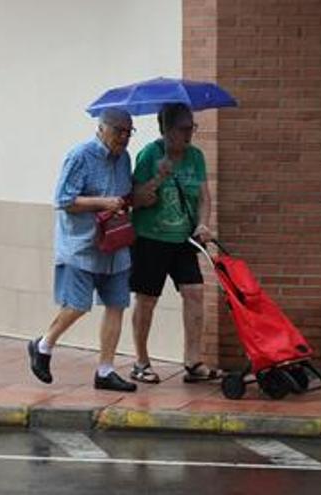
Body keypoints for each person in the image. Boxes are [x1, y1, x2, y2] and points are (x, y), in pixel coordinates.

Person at [26, 108, 137, 392]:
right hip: (82, 245)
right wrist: (103, 203)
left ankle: (105, 370)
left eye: (128, 131)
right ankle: (43, 345)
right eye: (119, 131)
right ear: (101, 128)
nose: (124, 137)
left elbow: (124, 196)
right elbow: (63, 200)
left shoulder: (124, 158)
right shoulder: (80, 155)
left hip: (114, 245)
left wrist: (147, 188)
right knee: (77, 305)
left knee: (117, 304)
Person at [127, 103, 220, 384]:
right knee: (147, 299)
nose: (189, 133)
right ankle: (141, 362)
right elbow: (135, 198)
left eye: (192, 127)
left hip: (183, 238)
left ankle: (193, 361)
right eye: (184, 128)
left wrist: (204, 223)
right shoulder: (149, 154)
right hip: (150, 238)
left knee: (194, 292)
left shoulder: (195, 157)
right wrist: (158, 178)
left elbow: (204, 196)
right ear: (166, 130)